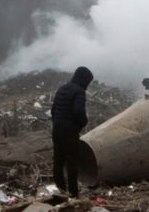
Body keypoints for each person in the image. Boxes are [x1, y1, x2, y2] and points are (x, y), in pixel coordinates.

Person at [51, 66, 93, 198]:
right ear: (84, 79)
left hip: (57, 128)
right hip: (69, 130)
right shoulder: (79, 91)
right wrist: (82, 123)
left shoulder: (62, 88)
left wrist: (57, 122)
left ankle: (61, 190)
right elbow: (79, 111)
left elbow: (53, 110)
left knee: (58, 160)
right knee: (71, 162)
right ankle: (73, 194)